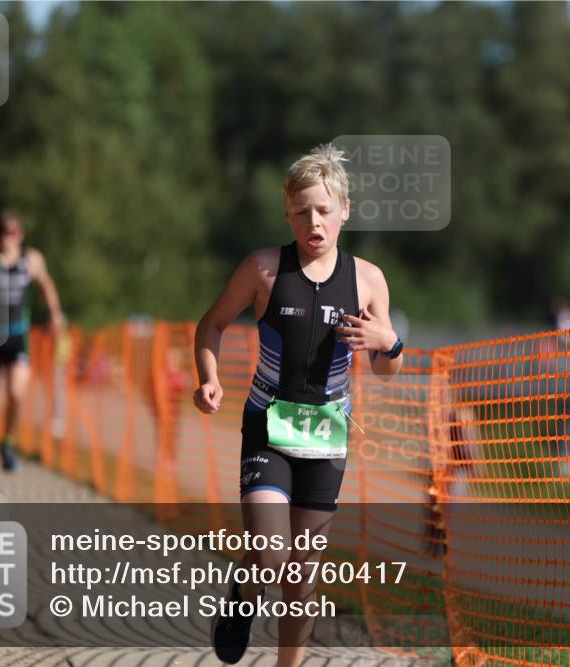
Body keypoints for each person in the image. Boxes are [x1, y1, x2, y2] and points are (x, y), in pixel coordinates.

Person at [194, 143, 403, 666]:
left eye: (325, 210)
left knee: (301, 576)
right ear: (287, 214)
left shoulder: (369, 280)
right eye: (302, 211)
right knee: (269, 556)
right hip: (268, 425)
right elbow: (211, 324)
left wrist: (389, 341)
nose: (314, 221)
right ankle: (243, 597)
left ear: (345, 211)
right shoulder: (263, 269)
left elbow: (386, 367)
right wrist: (209, 378)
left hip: (326, 435)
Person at [0, 210, 65, 483]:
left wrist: (55, 312)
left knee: (17, 394)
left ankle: (6, 441)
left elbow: (46, 285)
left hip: (18, 335)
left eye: (13, 232)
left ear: (20, 235)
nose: (8, 238)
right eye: (3, 232)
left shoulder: (31, 260)